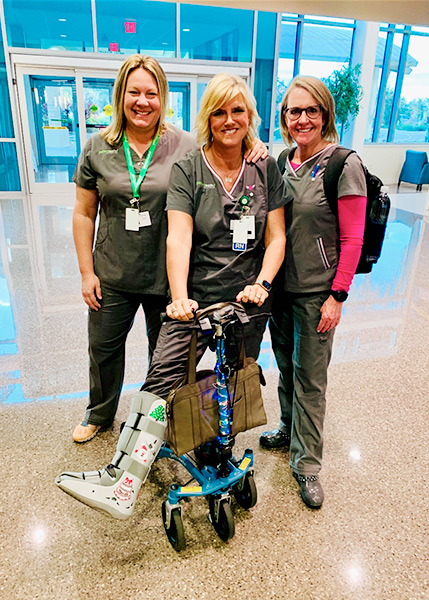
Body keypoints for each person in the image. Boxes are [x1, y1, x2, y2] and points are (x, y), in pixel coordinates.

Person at [56, 72, 286, 520]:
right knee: (163, 376)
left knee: (234, 377)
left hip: (249, 301)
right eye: (218, 111)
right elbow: (177, 239)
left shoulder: (265, 166)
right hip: (194, 298)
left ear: (250, 116)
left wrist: (262, 283)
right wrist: (179, 297)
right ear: (206, 117)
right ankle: (125, 476)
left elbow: (276, 236)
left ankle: (220, 451)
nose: (228, 119)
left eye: (237, 110)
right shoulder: (188, 166)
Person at [71, 55, 267, 443]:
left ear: (163, 98)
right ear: (120, 96)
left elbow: (225, 142)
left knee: (163, 359)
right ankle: (100, 413)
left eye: (152, 93)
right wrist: (86, 271)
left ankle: (155, 420)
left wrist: (254, 143)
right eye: (134, 93)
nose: (143, 102)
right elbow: (83, 213)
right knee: (103, 349)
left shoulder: (185, 145)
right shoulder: (98, 147)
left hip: (166, 278)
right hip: (112, 272)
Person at [259, 76, 367, 509]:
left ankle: (307, 466)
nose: (301, 119)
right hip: (281, 290)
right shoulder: (284, 160)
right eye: (293, 111)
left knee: (311, 380)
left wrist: (337, 296)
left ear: (325, 115)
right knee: (286, 365)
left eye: (311, 111)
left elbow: (354, 239)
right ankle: (288, 429)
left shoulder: (344, 164)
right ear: (284, 118)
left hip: (317, 293)